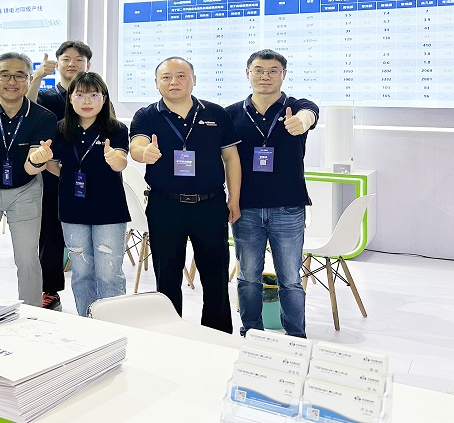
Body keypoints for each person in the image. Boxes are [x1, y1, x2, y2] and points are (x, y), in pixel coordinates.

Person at [129, 56, 241, 333]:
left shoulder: (215, 113)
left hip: (210, 204)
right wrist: (144, 153)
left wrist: (234, 198)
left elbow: (231, 158)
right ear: (157, 83)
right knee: (166, 277)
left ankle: (217, 335)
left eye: (181, 76)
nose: (174, 82)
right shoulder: (146, 115)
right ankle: (170, 334)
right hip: (165, 206)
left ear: (194, 80)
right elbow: (137, 146)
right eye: (166, 77)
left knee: (215, 276)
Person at [226, 50, 318, 338]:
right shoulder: (231, 114)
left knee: (290, 279)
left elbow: (311, 111)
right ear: (248, 73)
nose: (265, 76)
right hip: (247, 208)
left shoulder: (295, 107)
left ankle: (296, 337)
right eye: (258, 70)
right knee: (248, 278)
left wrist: (303, 121)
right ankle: (251, 333)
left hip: (288, 208)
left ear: (283, 75)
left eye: (273, 71)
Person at [0, 53, 57, 306]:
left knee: (27, 258)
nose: (11, 82)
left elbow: (30, 168)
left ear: (30, 79)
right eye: (4, 75)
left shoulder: (43, 117)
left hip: (25, 190)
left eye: (19, 75)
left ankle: (32, 313)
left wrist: (37, 160)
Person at [45, 72, 129, 317]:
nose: (87, 101)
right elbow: (52, 163)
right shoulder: (61, 129)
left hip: (109, 210)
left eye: (94, 95)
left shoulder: (116, 129)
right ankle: (86, 320)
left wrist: (114, 159)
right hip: (72, 208)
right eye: (80, 95)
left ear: (104, 98)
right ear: (70, 98)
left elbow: (120, 162)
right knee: (81, 273)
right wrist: (65, 174)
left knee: (109, 273)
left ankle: (113, 323)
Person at [28, 41, 94, 310]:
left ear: (88, 65)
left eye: (79, 60)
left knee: (86, 235)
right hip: (51, 174)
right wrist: (37, 77)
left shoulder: (95, 95)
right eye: (66, 59)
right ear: (57, 64)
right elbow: (27, 107)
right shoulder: (46, 96)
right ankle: (50, 290)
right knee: (50, 235)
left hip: (86, 175)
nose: (72, 64)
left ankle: (91, 292)